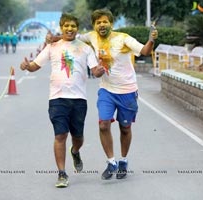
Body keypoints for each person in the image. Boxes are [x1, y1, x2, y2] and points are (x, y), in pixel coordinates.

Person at [46, 8, 158, 180]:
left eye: (105, 21)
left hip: (127, 90)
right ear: (94, 25)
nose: (102, 25)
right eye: (98, 22)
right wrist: (53, 39)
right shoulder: (91, 37)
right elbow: (72, 37)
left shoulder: (123, 38)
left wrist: (151, 40)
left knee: (125, 127)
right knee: (103, 125)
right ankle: (111, 161)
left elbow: (143, 51)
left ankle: (123, 161)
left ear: (111, 24)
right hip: (106, 89)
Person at [20, 13, 104, 188]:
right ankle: (62, 173)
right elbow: (35, 65)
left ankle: (75, 151)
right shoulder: (52, 47)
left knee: (78, 137)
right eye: (66, 26)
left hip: (79, 99)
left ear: (77, 28)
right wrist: (27, 66)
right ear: (61, 27)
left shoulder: (85, 48)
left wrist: (100, 71)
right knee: (60, 135)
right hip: (57, 98)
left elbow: (95, 70)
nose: (69, 29)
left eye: (73, 26)